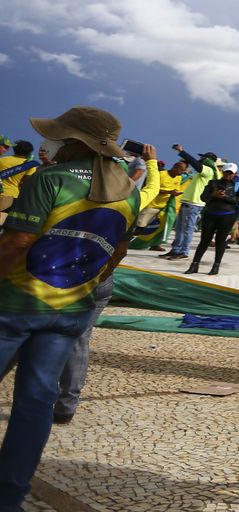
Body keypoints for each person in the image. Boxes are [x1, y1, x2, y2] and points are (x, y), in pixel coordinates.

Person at [0, 107, 155, 507]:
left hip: (16, 304)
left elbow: (17, 241)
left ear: (72, 141)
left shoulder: (51, 178)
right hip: (71, 310)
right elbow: (118, 252)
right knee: (36, 401)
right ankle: (9, 496)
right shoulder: (128, 189)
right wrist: (87, 284)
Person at [164, 145, 219, 261]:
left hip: (194, 204)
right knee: (179, 229)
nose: (201, 160)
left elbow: (195, 164)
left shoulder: (209, 170)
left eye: (204, 158)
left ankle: (184, 252)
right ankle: (175, 250)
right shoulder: (202, 172)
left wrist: (182, 152)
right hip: (187, 202)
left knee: (187, 229)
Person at [186, 163, 239, 275]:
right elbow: (203, 197)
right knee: (204, 240)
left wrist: (225, 197)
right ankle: (194, 264)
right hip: (210, 214)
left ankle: (216, 266)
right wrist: (213, 195)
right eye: (226, 172)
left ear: (234, 174)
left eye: (230, 173)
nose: (228, 174)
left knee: (220, 241)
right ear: (223, 172)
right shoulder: (213, 183)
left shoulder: (237, 186)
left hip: (227, 215)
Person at [0, 140, 39, 227]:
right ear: (29, 152)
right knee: (2, 221)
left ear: (14, 149)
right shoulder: (30, 165)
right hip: (10, 196)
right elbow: (27, 183)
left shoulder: (2, 160)